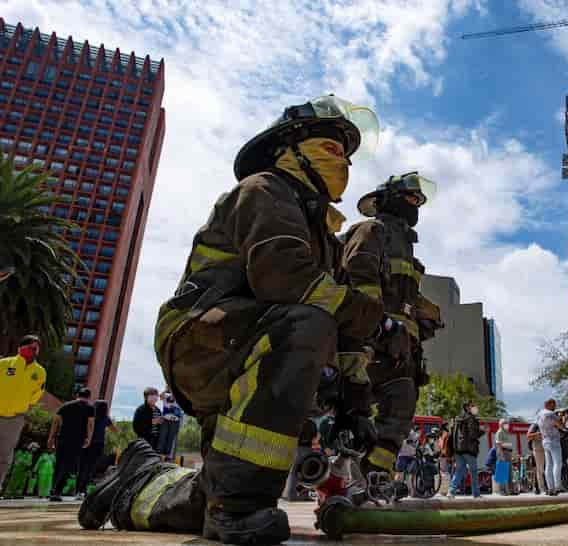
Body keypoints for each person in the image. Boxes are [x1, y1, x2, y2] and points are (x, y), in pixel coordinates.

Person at [79, 95, 383, 544]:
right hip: (201, 339)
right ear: (291, 149)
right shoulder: (265, 189)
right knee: (309, 325)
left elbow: (337, 320)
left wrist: (355, 401)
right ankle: (238, 509)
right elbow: (286, 280)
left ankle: (139, 480)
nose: (344, 165)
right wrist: (365, 313)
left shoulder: (324, 235)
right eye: (331, 149)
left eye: (348, 158)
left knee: (213, 492)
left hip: (244, 343)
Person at [340, 171, 442, 477]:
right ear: (391, 200)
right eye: (411, 199)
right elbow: (360, 277)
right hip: (366, 345)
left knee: (400, 411)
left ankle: (373, 478)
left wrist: (426, 322)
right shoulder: (371, 230)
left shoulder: (409, 254)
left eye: (418, 201)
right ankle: (330, 476)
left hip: (400, 354)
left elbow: (406, 300)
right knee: (347, 414)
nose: (415, 206)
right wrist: (378, 326)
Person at [0, 335, 46, 488]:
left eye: (36, 348)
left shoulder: (40, 373)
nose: (34, 351)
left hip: (14, 419)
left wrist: (22, 404)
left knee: (4, 455)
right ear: (20, 348)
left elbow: (35, 396)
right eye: (31, 347)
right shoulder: (4, 364)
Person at [48, 388, 95, 500]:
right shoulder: (89, 408)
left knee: (59, 463)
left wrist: (51, 437)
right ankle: (57, 491)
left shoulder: (66, 405)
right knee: (69, 465)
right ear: (89, 397)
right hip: (77, 441)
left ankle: (53, 490)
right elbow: (90, 424)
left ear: (77, 395)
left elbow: (56, 421)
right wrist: (89, 438)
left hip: (62, 438)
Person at [78, 400, 118, 495]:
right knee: (91, 467)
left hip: (87, 443)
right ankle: (83, 490)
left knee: (82, 465)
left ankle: (78, 489)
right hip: (98, 444)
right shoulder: (105, 418)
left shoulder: (90, 416)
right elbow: (115, 430)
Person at [448, 402, 483, 498]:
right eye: (473, 406)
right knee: (474, 472)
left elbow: (452, 435)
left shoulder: (457, 419)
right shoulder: (471, 418)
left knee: (459, 471)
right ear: (467, 408)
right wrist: (482, 431)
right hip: (469, 449)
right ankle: (476, 494)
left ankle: (451, 492)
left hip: (458, 450)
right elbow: (473, 435)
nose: (475, 408)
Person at [285, 419, 318, 502]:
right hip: (307, 448)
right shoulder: (311, 423)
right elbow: (315, 436)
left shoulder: (295, 421)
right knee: (305, 474)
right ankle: (304, 495)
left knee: (293, 473)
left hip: (294, 448)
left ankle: (290, 495)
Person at [537, 399, 564, 495]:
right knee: (557, 463)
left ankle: (550, 487)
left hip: (545, 440)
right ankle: (558, 486)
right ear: (549, 404)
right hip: (554, 440)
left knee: (548, 465)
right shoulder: (550, 414)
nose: (555, 406)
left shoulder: (539, 414)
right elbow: (560, 426)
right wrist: (561, 418)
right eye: (554, 404)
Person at [158, 393, 184, 460]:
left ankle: (168, 456)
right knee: (162, 436)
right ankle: (159, 454)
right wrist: (166, 389)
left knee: (171, 438)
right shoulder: (166, 395)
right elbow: (160, 396)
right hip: (165, 420)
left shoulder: (181, 397)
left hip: (175, 421)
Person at [526, 422, 546, 494]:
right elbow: (528, 435)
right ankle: (541, 488)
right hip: (538, 450)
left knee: (543, 469)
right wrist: (538, 434)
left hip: (546, 449)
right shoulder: (535, 425)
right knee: (539, 470)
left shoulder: (546, 424)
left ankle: (541, 487)